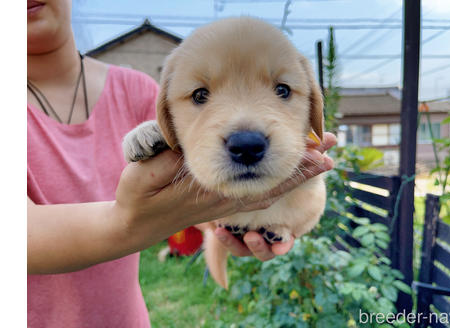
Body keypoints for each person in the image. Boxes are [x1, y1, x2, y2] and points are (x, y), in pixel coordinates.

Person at [27, 0, 337, 327]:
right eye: (201, 96)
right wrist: (125, 221)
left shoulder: (136, 89)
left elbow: (185, 189)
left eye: (282, 89)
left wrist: (237, 220)